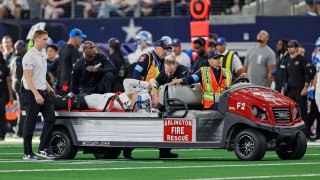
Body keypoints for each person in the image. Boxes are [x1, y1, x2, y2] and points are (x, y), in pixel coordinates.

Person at [21, 30, 56, 160]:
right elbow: (28, 77)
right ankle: (27, 153)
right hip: (31, 93)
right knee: (30, 123)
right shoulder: (29, 56)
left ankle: (43, 149)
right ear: (36, 39)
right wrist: (36, 94)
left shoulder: (42, 54)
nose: (46, 42)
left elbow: (40, 75)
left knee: (51, 119)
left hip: (43, 92)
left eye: (47, 39)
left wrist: (48, 87)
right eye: (44, 39)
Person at [282, 40, 311, 138]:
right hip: (290, 91)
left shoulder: (302, 59)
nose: (289, 48)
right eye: (288, 47)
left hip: (300, 90)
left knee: (302, 111)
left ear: (296, 48)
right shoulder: (287, 60)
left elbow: (307, 74)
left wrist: (306, 87)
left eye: (291, 47)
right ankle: (293, 133)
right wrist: (284, 89)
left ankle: (305, 133)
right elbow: (286, 76)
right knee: (291, 112)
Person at [59, 28, 86, 94]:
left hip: (63, 84)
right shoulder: (72, 48)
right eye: (81, 38)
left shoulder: (62, 48)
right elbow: (77, 69)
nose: (82, 40)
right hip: (71, 85)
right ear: (76, 37)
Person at [9, 40, 27, 137]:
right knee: (22, 108)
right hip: (19, 86)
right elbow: (18, 75)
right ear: (19, 48)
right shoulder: (18, 60)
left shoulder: (14, 58)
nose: (26, 49)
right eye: (24, 47)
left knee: (22, 108)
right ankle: (20, 131)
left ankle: (19, 129)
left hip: (16, 85)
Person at [0, 53, 14, 141]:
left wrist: (11, 95)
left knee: (1, 114)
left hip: (3, 94)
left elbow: (9, 83)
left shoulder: (5, 68)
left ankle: (2, 134)